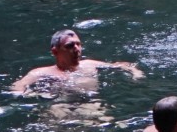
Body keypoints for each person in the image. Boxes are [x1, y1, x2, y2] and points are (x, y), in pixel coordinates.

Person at [10, 28, 144, 96]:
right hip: (61, 106)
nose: (76, 49)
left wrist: (135, 72)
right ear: (55, 51)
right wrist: (27, 94)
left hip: (90, 104)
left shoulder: (90, 64)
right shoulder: (42, 73)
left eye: (78, 45)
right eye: (70, 46)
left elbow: (122, 65)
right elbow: (18, 86)